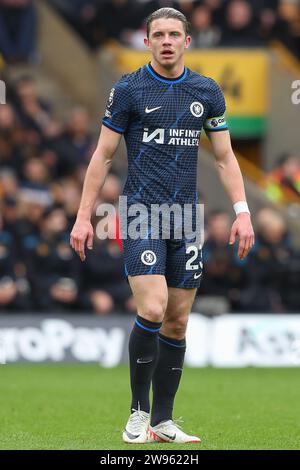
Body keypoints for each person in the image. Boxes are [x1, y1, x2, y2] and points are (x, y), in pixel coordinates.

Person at [70, 7, 254, 444]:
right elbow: (103, 155)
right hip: (140, 213)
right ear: (147, 40)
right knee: (152, 308)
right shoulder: (130, 88)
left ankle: (164, 421)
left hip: (187, 217)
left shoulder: (206, 91)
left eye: (175, 34)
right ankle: (137, 415)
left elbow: (226, 157)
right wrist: (83, 216)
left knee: (177, 323)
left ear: (187, 41)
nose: (167, 40)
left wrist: (243, 210)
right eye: (159, 34)